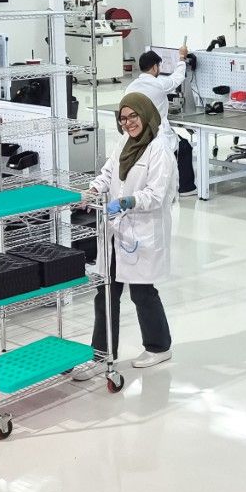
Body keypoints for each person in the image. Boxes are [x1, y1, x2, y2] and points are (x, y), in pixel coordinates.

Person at [83, 92, 180, 372]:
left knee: (142, 292)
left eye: (133, 116)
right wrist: (95, 188)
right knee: (105, 292)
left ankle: (159, 347)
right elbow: (108, 172)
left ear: (145, 114)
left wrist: (128, 201)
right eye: (123, 119)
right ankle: (102, 354)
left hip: (142, 231)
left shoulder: (159, 150)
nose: (128, 123)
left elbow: (157, 194)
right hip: (117, 230)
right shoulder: (124, 141)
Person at [126, 47, 197, 195]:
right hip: (155, 136)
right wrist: (182, 58)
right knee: (184, 147)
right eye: (159, 66)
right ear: (154, 67)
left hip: (135, 135)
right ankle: (186, 188)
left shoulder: (130, 87)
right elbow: (177, 77)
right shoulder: (158, 84)